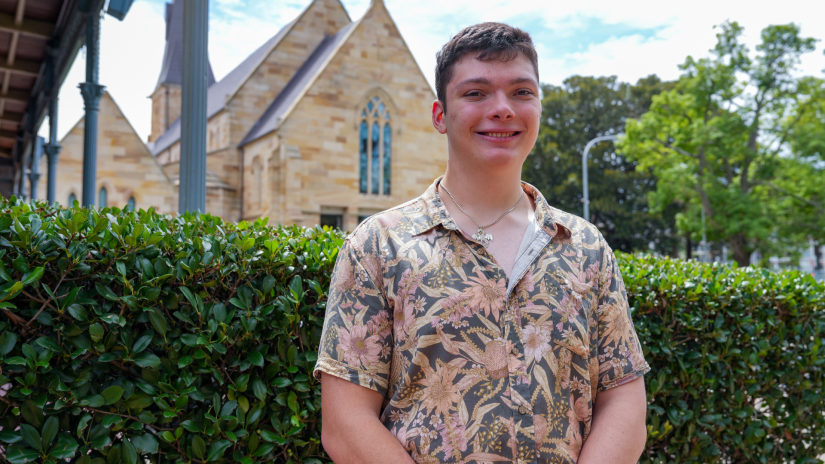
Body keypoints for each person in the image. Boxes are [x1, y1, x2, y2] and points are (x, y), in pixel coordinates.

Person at [314, 22, 649, 464]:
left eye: (522, 92)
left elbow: (622, 398)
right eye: (476, 93)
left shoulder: (585, 248)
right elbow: (345, 423)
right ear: (440, 115)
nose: (503, 108)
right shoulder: (378, 246)